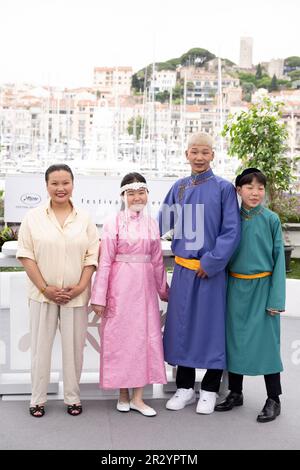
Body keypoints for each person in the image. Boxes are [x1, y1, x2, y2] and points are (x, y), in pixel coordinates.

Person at [159, 132, 241, 414]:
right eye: (194, 152)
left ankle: (209, 389)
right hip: (183, 271)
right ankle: (184, 388)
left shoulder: (223, 188)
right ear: (186, 154)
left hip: (211, 272)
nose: (199, 157)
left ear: (213, 155)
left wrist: (212, 262)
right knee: (181, 327)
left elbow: (231, 231)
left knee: (211, 329)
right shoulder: (179, 188)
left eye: (205, 152)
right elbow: (162, 223)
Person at [16, 164, 99, 417]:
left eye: (65, 183)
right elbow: (26, 255)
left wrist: (82, 286)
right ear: (46, 186)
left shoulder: (84, 218)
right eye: (55, 183)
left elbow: (91, 256)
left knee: (74, 351)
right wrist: (45, 288)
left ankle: (73, 398)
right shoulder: (33, 217)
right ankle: (37, 399)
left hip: (76, 296)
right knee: (41, 349)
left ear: (73, 185)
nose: (60, 188)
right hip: (42, 295)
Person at [91, 172, 168, 417]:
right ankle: (122, 394)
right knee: (121, 339)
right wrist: (99, 297)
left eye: (141, 192)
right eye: (131, 193)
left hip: (144, 290)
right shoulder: (112, 222)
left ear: (147, 195)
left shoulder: (152, 224)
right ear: (123, 196)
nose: (137, 197)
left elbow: (157, 262)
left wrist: (164, 290)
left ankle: (138, 397)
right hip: (120, 288)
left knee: (144, 340)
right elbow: (104, 262)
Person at [215, 168, 285, 422]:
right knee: (234, 342)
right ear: (238, 190)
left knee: (267, 345)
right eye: (249, 187)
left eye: (260, 188)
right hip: (235, 288)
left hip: (263, 289)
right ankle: (236, 392)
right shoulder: (230, 220)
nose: (255, 193)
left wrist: (276, 299)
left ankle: (273, 398)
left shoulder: (271, 220)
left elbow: (279, 262)